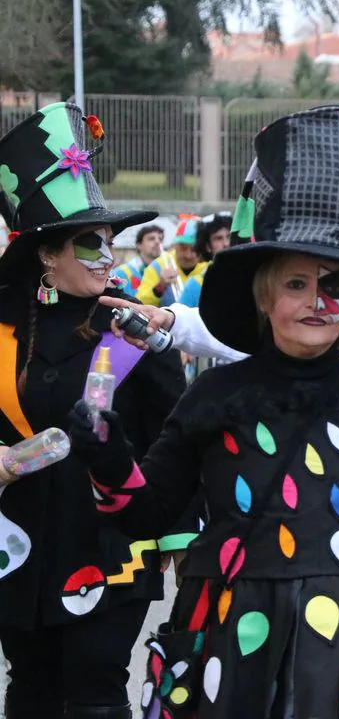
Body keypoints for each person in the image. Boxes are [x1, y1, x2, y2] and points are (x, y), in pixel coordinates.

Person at [68, 106, 339, 719]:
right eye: (297, 283)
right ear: (264, 295)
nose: (318, 301)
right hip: (236, 641)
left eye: (335, 285)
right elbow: (148, 515)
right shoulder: (213, 399)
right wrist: (106, 450)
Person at [0, 103, 188, 719]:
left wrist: (182, 542)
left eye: (111, 242)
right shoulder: (5, 335)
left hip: (110, 547)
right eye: (90, 243)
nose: (108, 256)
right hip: (19, 544)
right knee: (29, 689)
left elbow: (177, 438)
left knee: (94, 691)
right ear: (45, 256)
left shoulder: (130, 329)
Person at [136, 216, 208, 308]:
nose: (188, 255)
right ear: (175, 245)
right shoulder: (157, 266)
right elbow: (140, 305)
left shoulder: (210, 266)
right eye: (183, 248)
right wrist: (159, 287)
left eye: (195, 248)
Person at [113, 225, 164, 298]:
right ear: (139, 245)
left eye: (160, 239)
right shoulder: (120, 273)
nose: (157, 242)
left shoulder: (165, 271)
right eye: (151, 239)